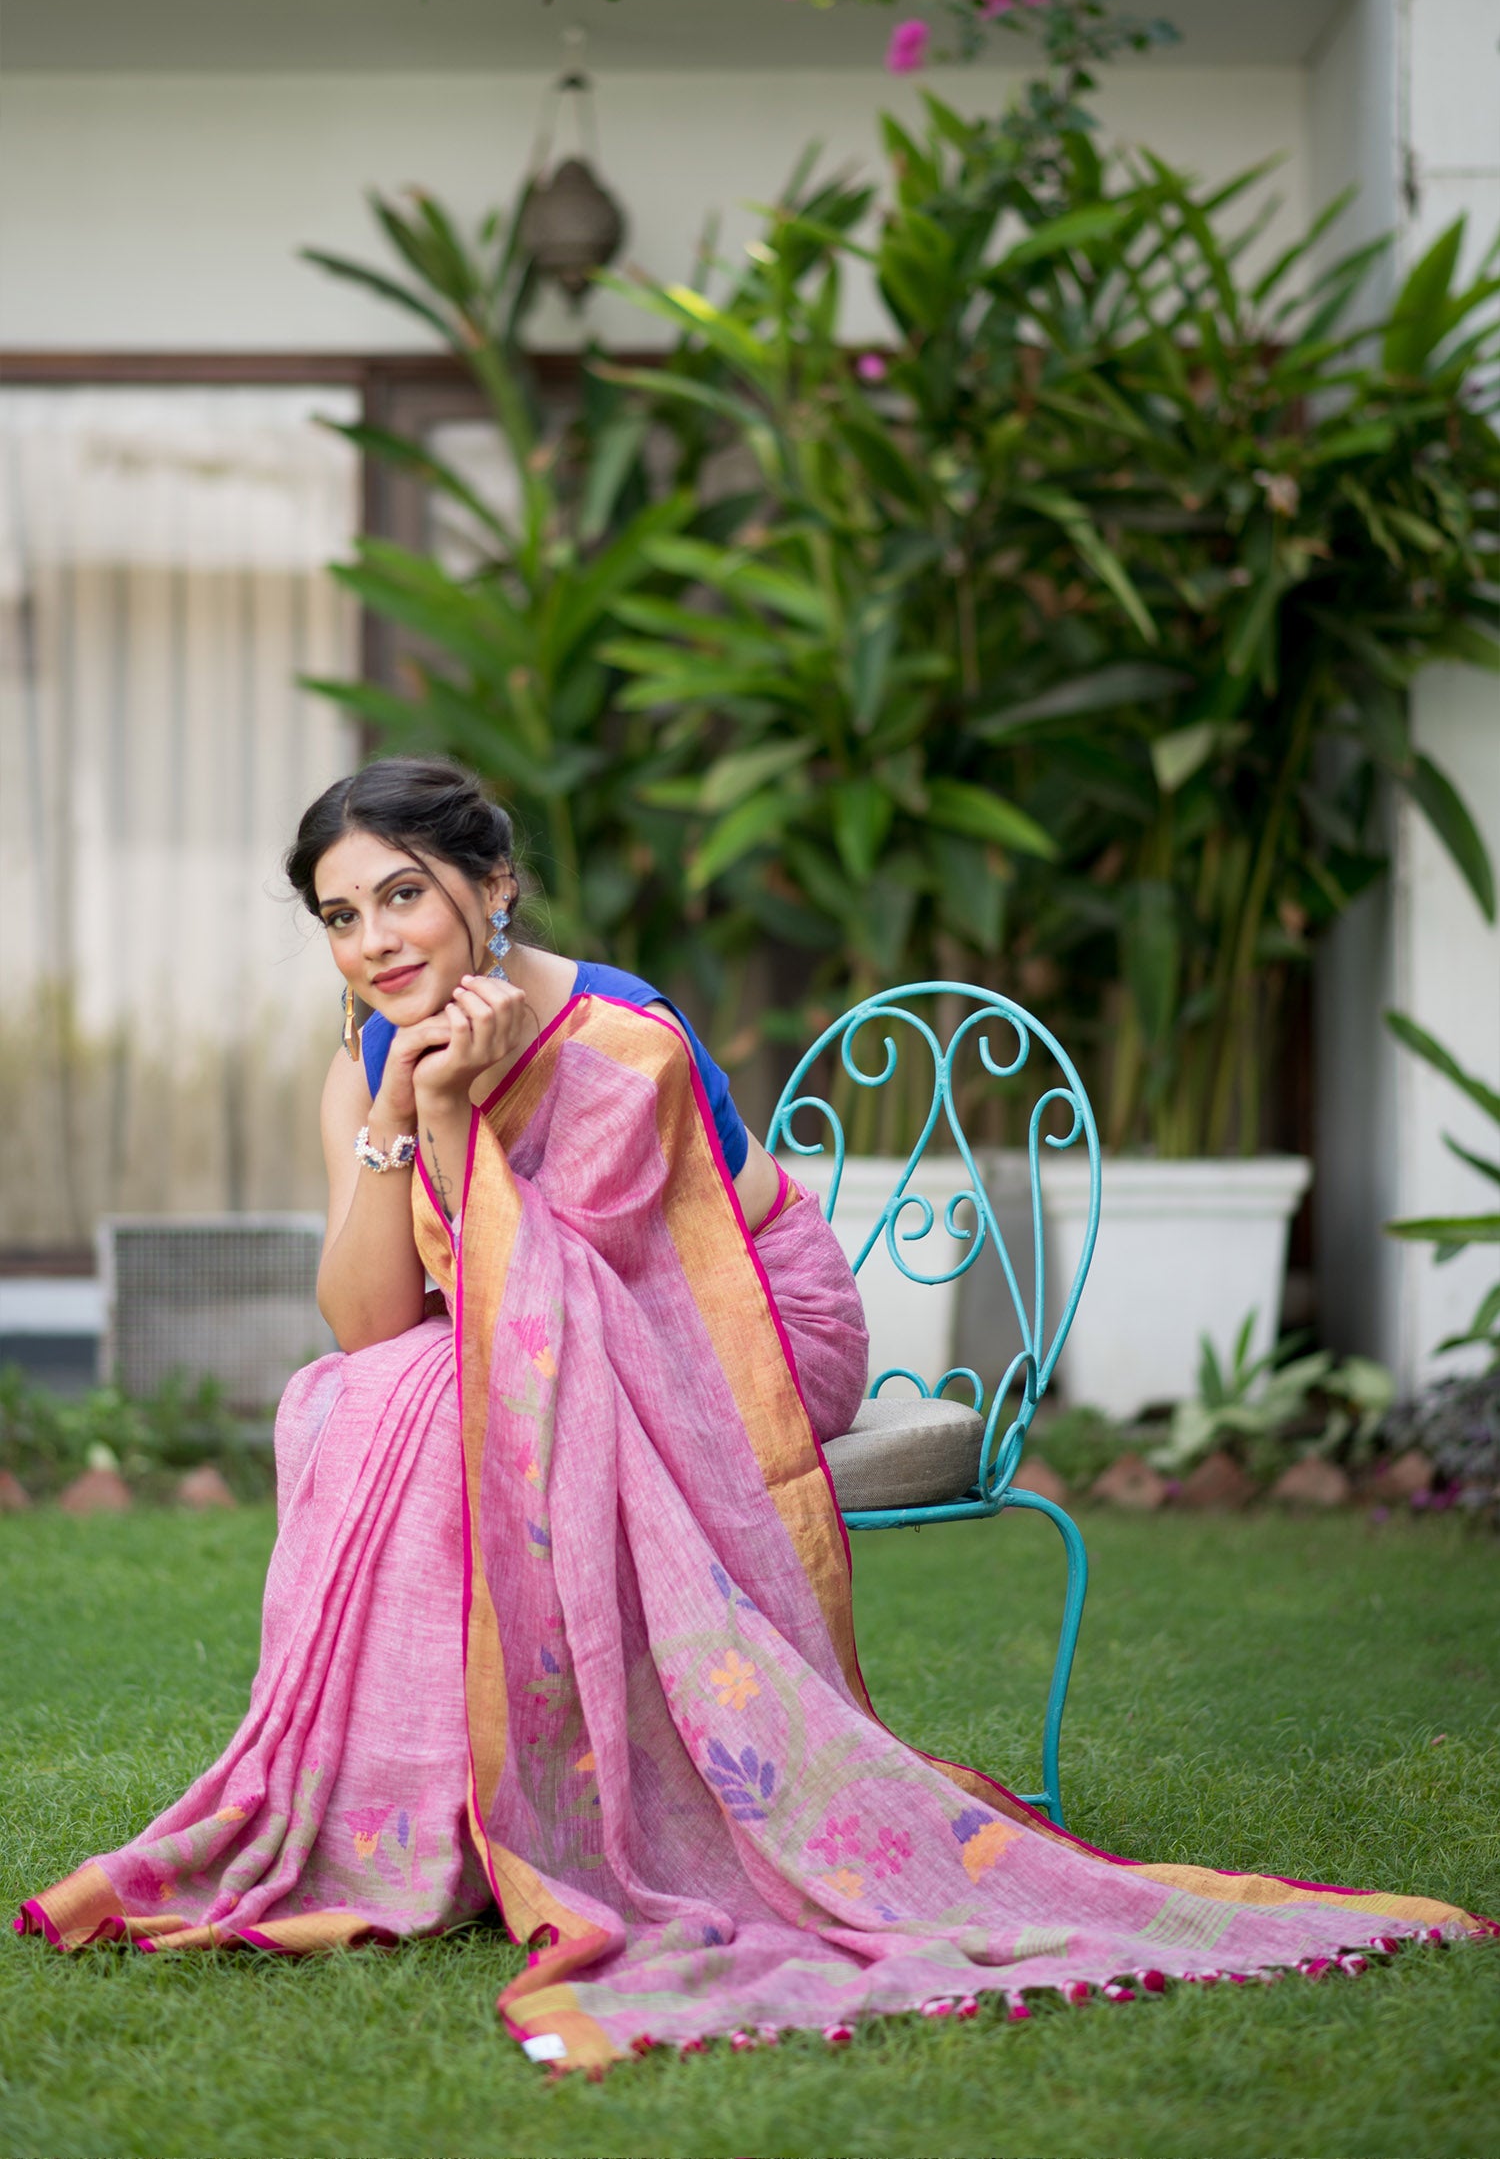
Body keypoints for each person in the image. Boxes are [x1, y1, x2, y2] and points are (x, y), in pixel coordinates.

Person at [17, 759, 1484, 2070]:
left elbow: (581, 1289)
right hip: (523, 1327)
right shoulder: (370, 1058)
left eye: (405, 892)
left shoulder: (619, 1037)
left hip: (744, 1315)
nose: (378, 938)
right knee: (371, 1386)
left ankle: (520, 1808)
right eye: (341, 916)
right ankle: (439, 1811)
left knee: (434, 1382)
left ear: (494, 885)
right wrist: (409, 1109)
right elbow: (364, 1315)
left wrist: (464, 1117)